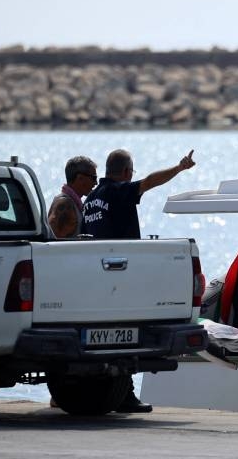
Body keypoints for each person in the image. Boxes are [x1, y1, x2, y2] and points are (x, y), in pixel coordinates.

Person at [82, 147, 197, 413]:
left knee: (107, 336)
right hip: (121, 275)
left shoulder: (91, 200)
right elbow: (148, 183)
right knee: (126, 334)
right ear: (126, 173)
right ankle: (125, 394)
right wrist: (179, 168)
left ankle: (111, 391)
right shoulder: (118, 191)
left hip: (95, 278)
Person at [47, 156, 97, 238]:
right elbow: (55, 243)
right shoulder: (65, 205)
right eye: (93, 178)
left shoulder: (68, 202)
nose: (96, 183)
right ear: (80, 178)